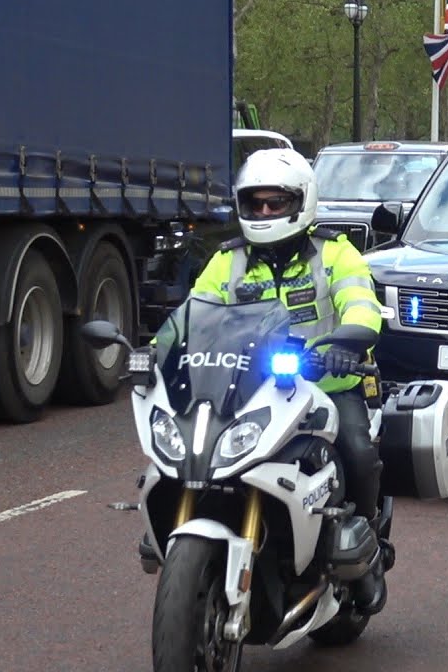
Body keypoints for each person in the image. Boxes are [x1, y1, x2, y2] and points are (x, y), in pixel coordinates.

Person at [148, 148, 389, 614]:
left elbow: (361, 303)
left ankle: (367, 549)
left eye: (274, 203)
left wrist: (346, 342)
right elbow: (190, 314)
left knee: (358, 452)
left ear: (301, 202)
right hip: (247, 389)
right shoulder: (228, 262)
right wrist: (154, 349)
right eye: (254, 204)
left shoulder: (336, 253)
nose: (263, 213)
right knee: (191, 450)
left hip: (328, 388)